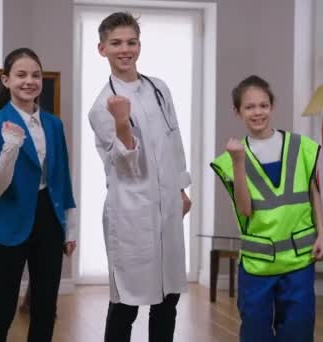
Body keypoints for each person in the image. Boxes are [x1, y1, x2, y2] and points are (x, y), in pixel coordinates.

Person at [88, 12, 192, 342]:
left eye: (131, 42)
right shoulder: (100, 106)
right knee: (127, 303)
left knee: (169, 297)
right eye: (116, 43)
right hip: (131, 213)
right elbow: (126, 166)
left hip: (167, 207)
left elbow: (174, 139)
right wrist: (121, 122)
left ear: (139, 46)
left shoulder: (159, 89)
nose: (125, 49)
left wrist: (181, 187)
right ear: (101, 49)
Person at [0, 47, 77, 342]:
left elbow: (61, 178)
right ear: (6, 80)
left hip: (49, 220)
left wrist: (70, 227)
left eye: (36, 75)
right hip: (7, 217)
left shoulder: (53, 124)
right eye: (21, 75)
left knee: (45, 307)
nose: (29, 81)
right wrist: (11, 147)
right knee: (3, 308)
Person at [210, 75, 323, 342]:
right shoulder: (232, 158)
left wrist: (322, 233)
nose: (258, 112)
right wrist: (238, 161)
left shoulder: (301, 148)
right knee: (255, 331)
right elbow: (245, 209)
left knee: (298, 329)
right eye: (250, 107)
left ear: (272, 107)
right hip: (257, 265)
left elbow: (312, 192)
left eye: (263, 105)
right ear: (238, 112)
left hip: (300, 260)